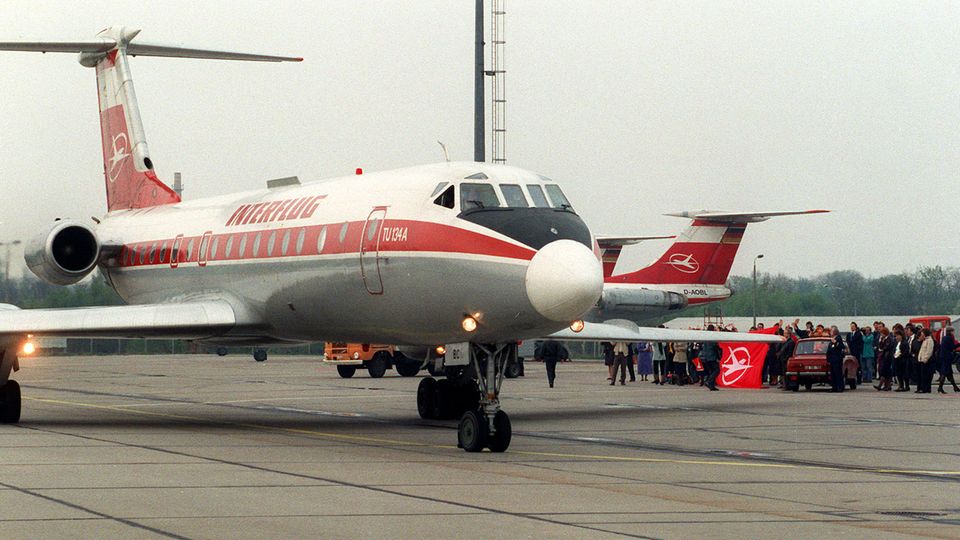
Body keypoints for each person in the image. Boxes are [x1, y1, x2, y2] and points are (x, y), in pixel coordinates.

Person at [936, 326, 960, 393]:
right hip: (947, 357)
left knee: (949, 373)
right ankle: (940, 387)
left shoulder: (944, 338)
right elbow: (952, 347)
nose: (953, 332)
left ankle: (955, 387)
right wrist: (958, 344)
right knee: (944, 372)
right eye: (953, 331)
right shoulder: (949, 338)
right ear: (950, 331)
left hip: (943, 357)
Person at [700, 325, 721, 391]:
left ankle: (711, 385)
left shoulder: (705, 336)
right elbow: (714, 347)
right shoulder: (712, 337)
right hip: (711, 356)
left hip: (705, 357)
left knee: (711, 371)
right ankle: (709, 381)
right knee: (717, 370)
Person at [874, 327, 895, 391]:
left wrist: (883, 347)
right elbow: (880, 346)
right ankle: (887, 386)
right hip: (884, 357)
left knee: (884, 371)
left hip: (888, 357)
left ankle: (880, 385)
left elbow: (887, 347)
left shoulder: (890, 339)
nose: (881, 335)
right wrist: (881, 341)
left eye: (882, 333)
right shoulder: (883, 339)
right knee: (886, 372)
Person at [827, 326, 846, 392]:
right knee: (833, 374)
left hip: (837, 359)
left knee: (838, 374)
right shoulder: (831, 339)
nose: (830, 332)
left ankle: (840, 387)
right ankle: (834, 387)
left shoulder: (838, 338)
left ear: (834, 332)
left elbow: (842, 346)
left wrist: (835, 342)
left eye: (831, 331)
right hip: (832, 359)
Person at [915, 328, 934, 393]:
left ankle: (925, 388)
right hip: (921, 360)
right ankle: (923, 388)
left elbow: (929, 351)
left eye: (922, 332)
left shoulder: (929, 340)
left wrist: (925, 359)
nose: (921, 334)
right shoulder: (925, 340)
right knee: (922, 375)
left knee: (925, 375)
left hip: (925, 360)